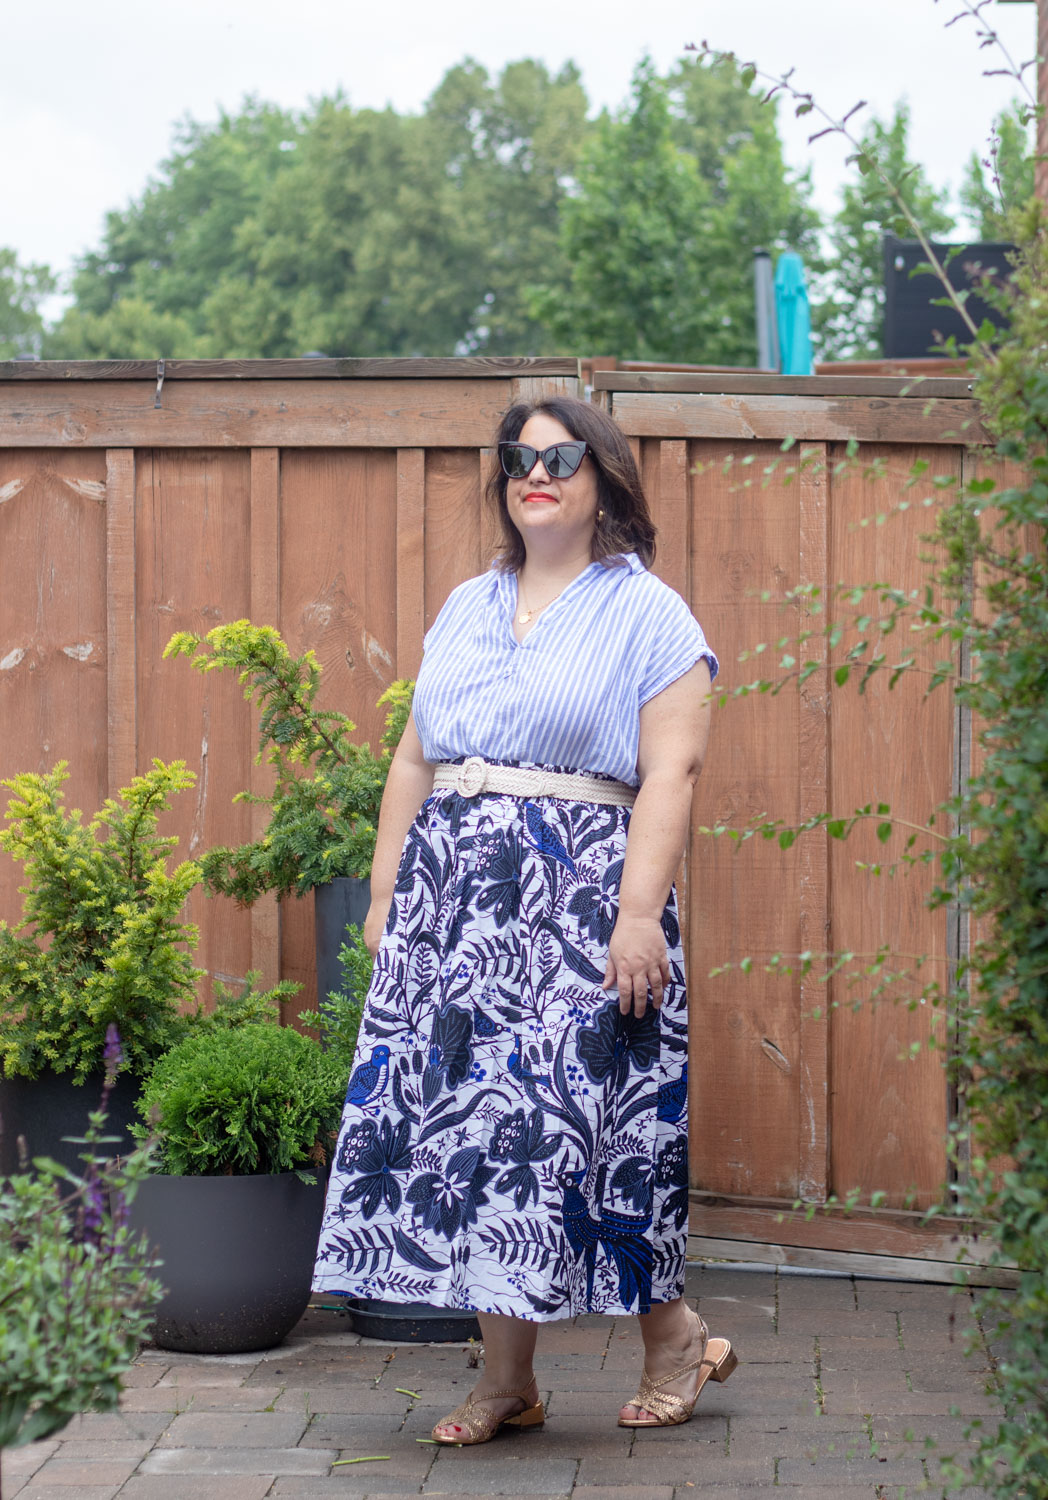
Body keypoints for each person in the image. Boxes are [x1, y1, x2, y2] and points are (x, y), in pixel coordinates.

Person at [312, 393, 735, 1441]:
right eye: (517, 459)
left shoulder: (650, 614)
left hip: (582, 905)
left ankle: (673, 1333)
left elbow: (672, 771)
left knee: (579, 1128)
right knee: (476, 1135)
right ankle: (508, 1380)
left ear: (604, 477)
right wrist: (383, 898)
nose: (534, 473)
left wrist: (639, 916)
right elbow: (415, 757)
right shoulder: (465, 604)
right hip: (455, 908)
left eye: (559, 456)